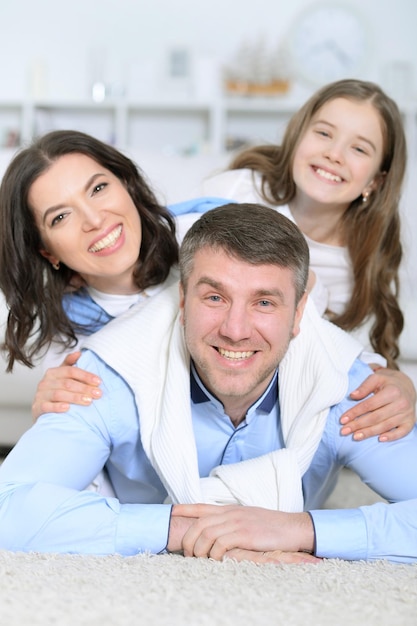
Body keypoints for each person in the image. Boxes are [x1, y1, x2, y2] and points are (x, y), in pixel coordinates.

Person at [0, 203, 416, 564]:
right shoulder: (108, 377)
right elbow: (8, 507)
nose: (236, 330)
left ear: (299, 311)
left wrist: (299, 530)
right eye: (214, 297)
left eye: (265, 302)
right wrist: (185, 530)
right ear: (182, 299)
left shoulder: (343, 387)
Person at [1, 128, 412, 444]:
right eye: (60, 217)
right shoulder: (70, 340)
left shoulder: (204, 234)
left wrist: (381, 375)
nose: (94, 219)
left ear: (125, 183)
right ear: (46, 251)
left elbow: (308, 321)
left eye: (98, 187)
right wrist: (54, 415)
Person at [198, 78, 416, 437]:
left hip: (290, 411)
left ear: (375, 182)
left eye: (359, 149)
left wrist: (405, 386)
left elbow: (356, 361)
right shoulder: (237, 192)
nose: (335, 154)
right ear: (298, 135)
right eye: (324, 133)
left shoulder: (359, 264)